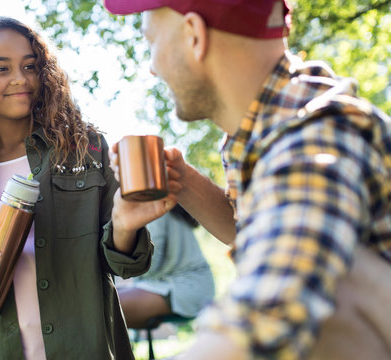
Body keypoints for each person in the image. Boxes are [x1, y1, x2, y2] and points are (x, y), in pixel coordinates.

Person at [104, 1, 391, 359]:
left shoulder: (314, 137)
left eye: (151, 42)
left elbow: (264, 319)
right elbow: (265, 234)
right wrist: (180, 182)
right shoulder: (265, 129)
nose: (151, 67)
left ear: (194, 36)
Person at [0, 16, 163, 360]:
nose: (20, 79)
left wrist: (126, 226)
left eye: (30, 66)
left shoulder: (85, 149)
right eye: (1, 69)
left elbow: (128, 265)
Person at [118, 204, 215, 329]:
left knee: (105, 306)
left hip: (185, 287)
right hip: (191, 285)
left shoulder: (155, 209)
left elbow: (147, 265)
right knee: (105, 296)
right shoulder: (167, 206)